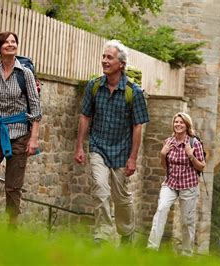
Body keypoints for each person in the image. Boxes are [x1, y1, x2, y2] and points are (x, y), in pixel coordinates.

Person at [74, 39, 149, 245]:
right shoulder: (94, 86)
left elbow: (138, 126)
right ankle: (103, 235)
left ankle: (126, 232)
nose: (104, 61)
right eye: (103, 57)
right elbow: (85, 116)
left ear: (121, 64)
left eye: (109, 57)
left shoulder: (134, 92)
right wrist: (80, 146)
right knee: (100, 188)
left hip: (122, 153)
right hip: (98, 146)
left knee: (121, 198)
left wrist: (133, 158)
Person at [0, 32, 42, 228]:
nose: (11, 44)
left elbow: (35, 107)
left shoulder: (25, 74)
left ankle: (12, 226)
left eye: (14, 41)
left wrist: (34, 138)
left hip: (20, 134)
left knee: (13, 186)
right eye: (7, 42)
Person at [147, 112, 206, 256]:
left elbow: (202, 166)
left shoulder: (194, 143)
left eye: (181, 122)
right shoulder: (168, 142)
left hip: (189, 186)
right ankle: (152, 248)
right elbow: (164, 166)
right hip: (170, 183)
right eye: (176, 122)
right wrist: (162, 154)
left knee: (187, 221)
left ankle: (186, 253)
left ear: (187, 125)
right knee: (161, 210)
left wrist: (190, 155)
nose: (178, 125)